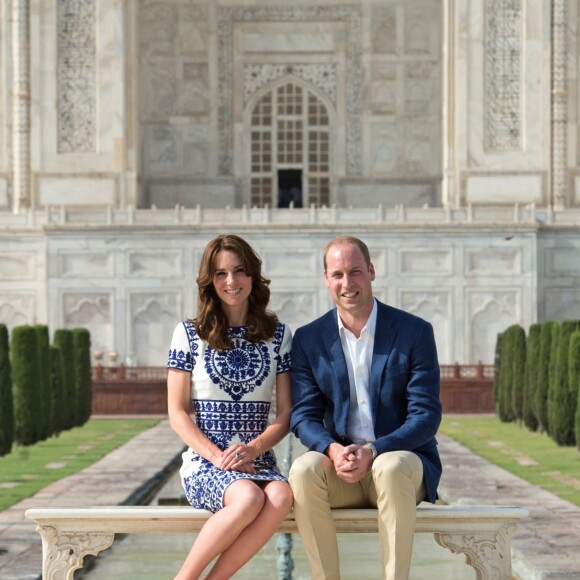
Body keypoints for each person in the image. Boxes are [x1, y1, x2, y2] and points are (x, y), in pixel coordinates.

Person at [289, 235, 442, 580]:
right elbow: (303, 415)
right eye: (338, 274)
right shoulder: (309, 339)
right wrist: (333, 449)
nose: (347, 283)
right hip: (341, 467)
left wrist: (373, 450)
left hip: (399, 465)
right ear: (326, 279)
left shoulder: (413, 332)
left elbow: (426, 415)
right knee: (302, 470)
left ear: (371, 272)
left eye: (355, 272)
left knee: (388, 466)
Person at [166, 234, 293, 580]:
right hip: (206, 463)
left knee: (281, 497)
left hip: (256, 460)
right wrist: (217, 457)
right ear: (210, 281)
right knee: (249, 499)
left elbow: (285, 414)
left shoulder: (278, 336)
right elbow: (177, 412)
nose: (231, 282)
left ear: (253, 276)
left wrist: (251, 449)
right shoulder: (190, 334)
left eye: (239, 271)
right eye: (221, 274)